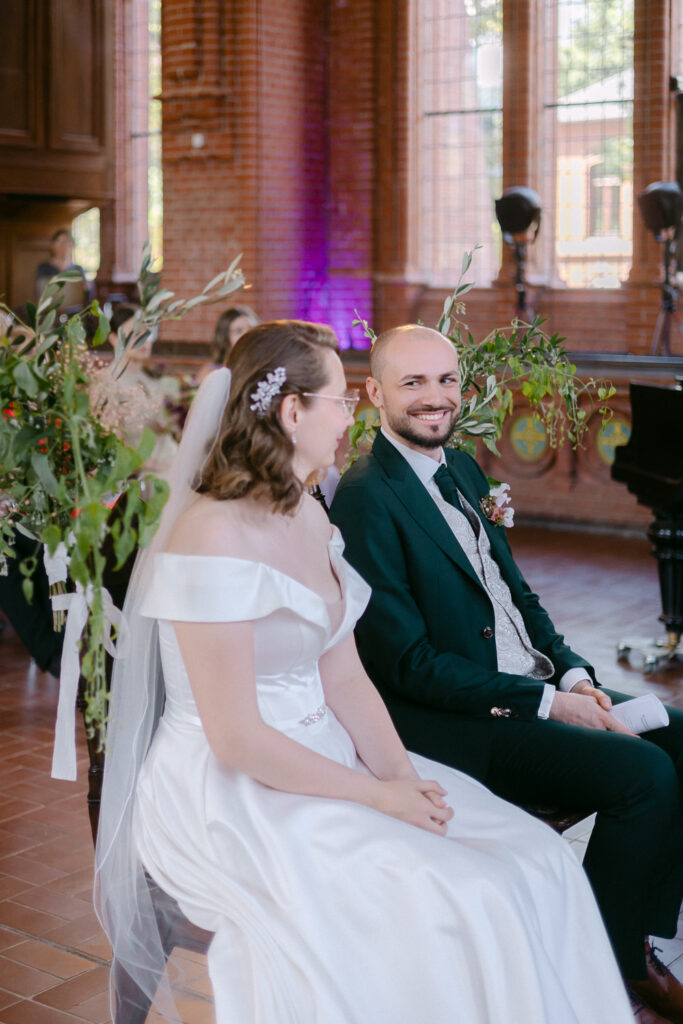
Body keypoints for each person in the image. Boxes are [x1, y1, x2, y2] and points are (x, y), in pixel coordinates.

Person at [95, 320, 634, 1024]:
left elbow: (345, 678)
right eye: (340, 400)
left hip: (327, 753)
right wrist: (377, 797)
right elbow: (235, 738)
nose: (351, 416)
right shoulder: (211, 534)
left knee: (537, 859)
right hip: (231, 791)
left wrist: (403, 779)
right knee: (463, 893)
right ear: (293, 412)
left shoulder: (308, 513)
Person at [329, 323, 683, 1023]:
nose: (435, 397)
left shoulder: (461, 468)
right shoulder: (368, 497)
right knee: (643, 774)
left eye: (446, 380)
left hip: (530, 684)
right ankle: (610, 964)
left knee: (677, 733)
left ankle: (619, 932)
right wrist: (546, 704)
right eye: (413, 382)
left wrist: (575, 677)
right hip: (458, 719)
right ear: (374, 394)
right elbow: (408, 665)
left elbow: (516, 597)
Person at [196, 304, 260, 381]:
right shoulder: (211, 373)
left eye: (251, 328)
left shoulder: (265, 367)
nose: (246, 335)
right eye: (238, 331)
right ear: (225, 338)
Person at [35, 228, 89, 307]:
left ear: (72, 246)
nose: (63, 246)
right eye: (59, 242)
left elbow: (86, 294)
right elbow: (41, 293)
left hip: (74, 312)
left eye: (66, 242)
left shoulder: (78, 269)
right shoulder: (44, 268)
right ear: (53, 246)